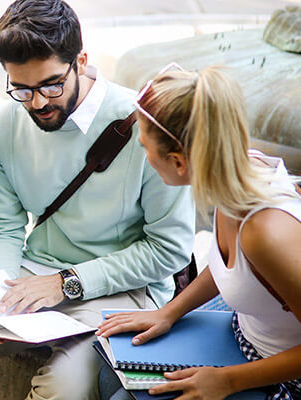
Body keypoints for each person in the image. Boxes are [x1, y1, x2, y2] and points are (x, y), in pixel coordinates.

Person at [0, 1, 196, 399]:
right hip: (33, 274)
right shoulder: (3, 127)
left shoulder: (144, 125)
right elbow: (4, 227)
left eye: (51, 85)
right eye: (22, 89)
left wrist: (68, 284)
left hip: (124, 290)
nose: (38, 103)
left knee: (63, 388)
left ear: (82, 60)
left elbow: (170, 249)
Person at [96, 64, 301, 400]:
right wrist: (169, 311)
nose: (144, 157)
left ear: (178, 161)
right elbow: (232, 267)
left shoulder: (265, 232)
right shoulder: (235, 174)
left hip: (282, 374)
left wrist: (228, 382)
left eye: (145, 148)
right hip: (245, 334)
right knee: (110, 375)